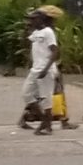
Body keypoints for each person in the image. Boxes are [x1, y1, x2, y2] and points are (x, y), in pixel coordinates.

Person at [20, 7, 61, 135]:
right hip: (35, 68)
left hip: (45, 69)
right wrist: (26, 29)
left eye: (33, 19)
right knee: (26, 94)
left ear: (41, 19)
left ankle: (47, 126)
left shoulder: (48, 32)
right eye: (30, 19)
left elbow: (55, 51)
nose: (31, 21)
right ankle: (44, 121)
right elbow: (25, 42)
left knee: (46, 98)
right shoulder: (35, 33)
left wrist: (47, 68)